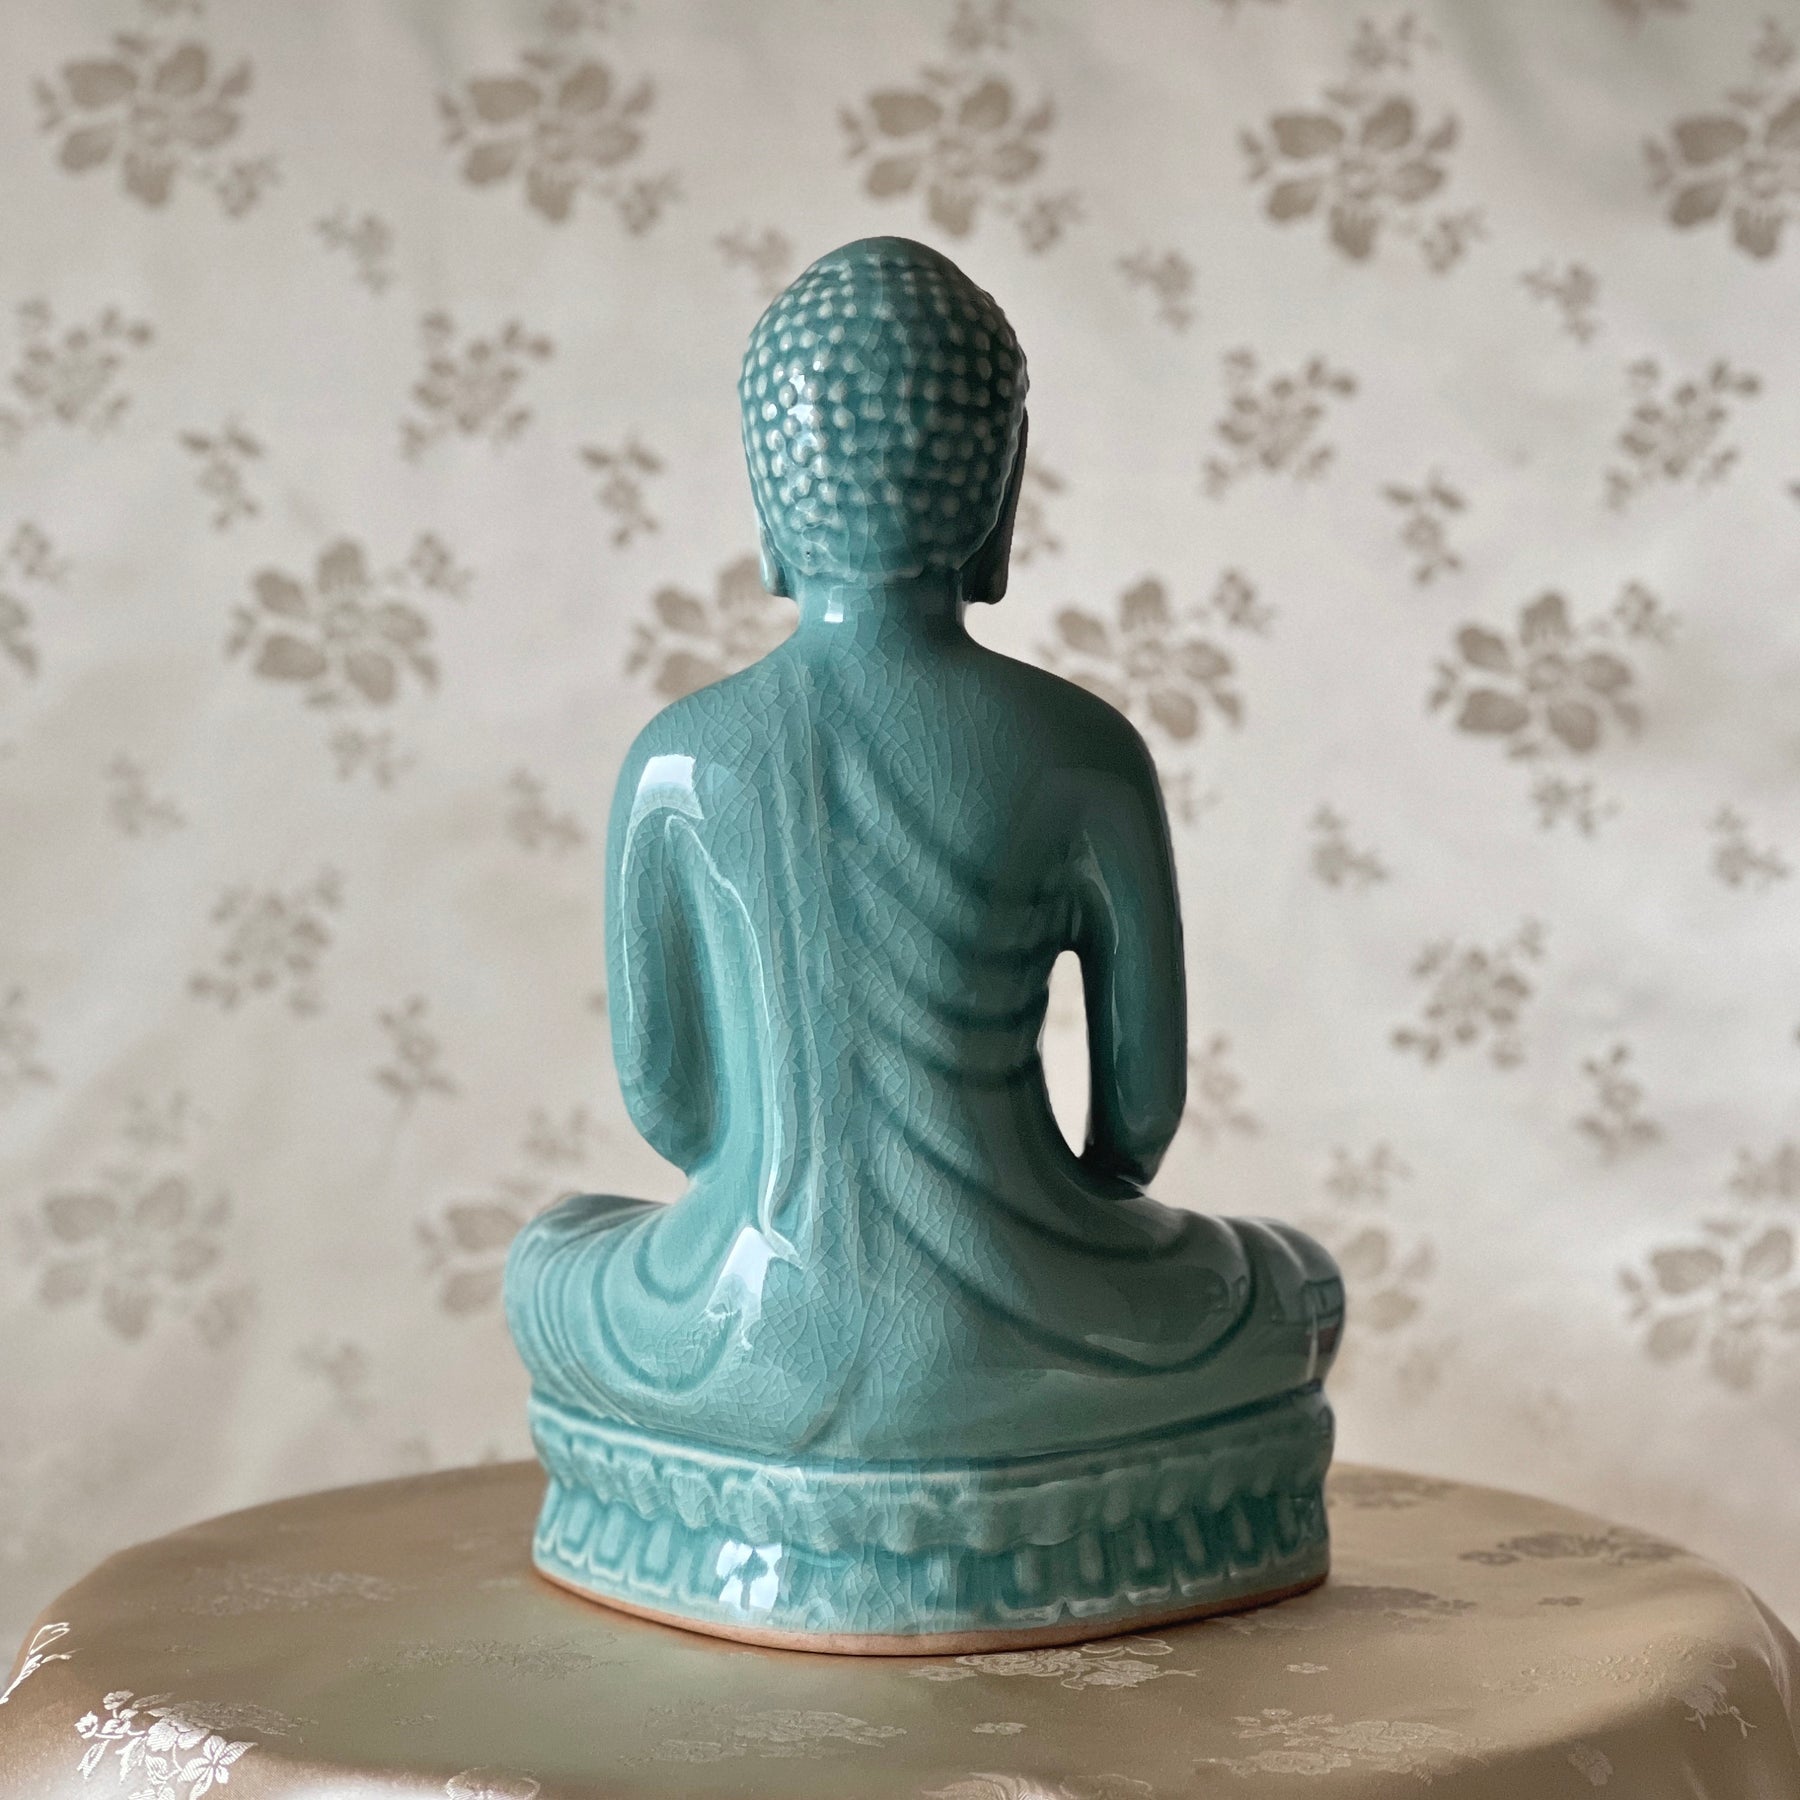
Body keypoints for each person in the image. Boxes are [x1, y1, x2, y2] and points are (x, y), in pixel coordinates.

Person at [505, 238, 1342, 1640]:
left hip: (735, 1339)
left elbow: (671, 1109)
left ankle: (718, 1515)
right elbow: (1139, 1122)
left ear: (769, 502)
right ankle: (1100, 1509)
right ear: (998, 498)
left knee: (553, 1254)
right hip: (1047, 1336)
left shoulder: (683, 758)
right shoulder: (1082, 748)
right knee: (1296, 1286)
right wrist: (1071, 1226)